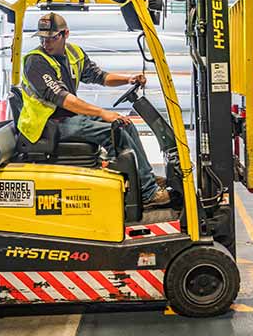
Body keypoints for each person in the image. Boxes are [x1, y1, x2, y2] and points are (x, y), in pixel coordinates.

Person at [17, 12, 169, 206]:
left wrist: (128, 79)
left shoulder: (74, 53)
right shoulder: (36, 61)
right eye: (42, 38)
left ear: (65, 34)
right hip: (46, 125)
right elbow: (63, 99)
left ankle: (144, 178)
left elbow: (100, 76)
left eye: (52, 38)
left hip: (67, 117)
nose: (46, 43)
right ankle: (147, 193)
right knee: (114, 132)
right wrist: (102, 112)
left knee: (125, 124)